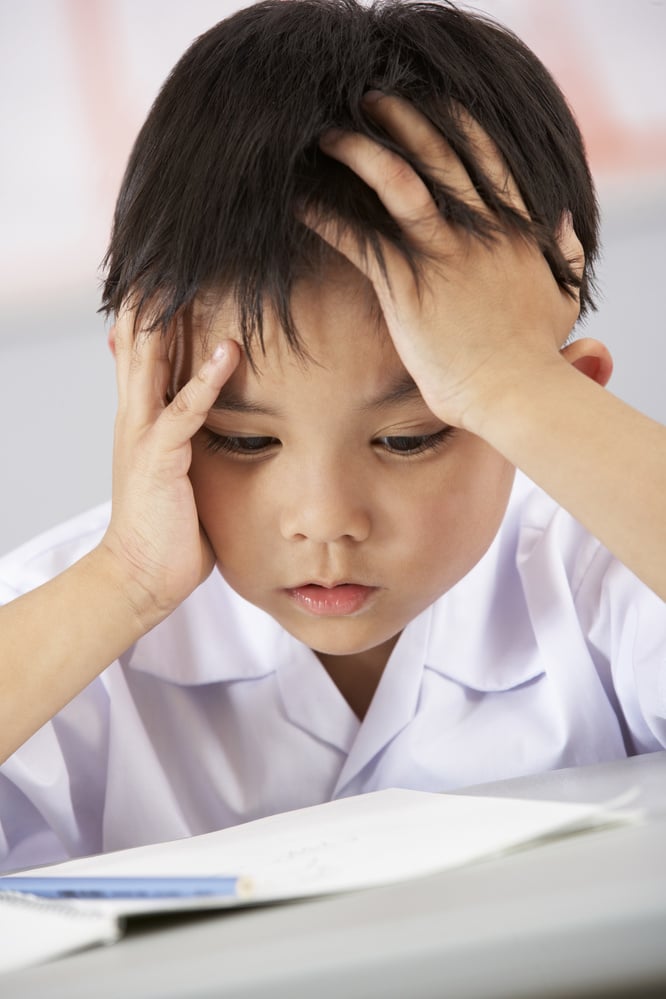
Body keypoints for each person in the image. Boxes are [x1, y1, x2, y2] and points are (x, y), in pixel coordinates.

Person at [0, 0, 664, 874]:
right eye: (241, 441)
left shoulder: (598, 568)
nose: (324, 520)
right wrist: (124, 580)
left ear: (549, 409)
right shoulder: (65, 617)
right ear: (147, 390)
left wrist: (514, 382)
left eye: (409, 437)